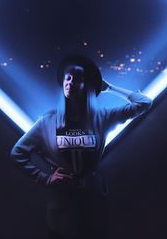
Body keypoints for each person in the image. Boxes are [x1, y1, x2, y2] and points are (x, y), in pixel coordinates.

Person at [10, 55, 153, 238]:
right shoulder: (47, 121)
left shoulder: (102, 117)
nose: (71, 82)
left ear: (88, 85)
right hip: (62, 207)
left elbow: (144, 103)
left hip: (94, 203)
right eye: (68, 77)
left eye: (78, 79)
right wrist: (45, 178)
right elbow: (17, 153)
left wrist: (109, 88)